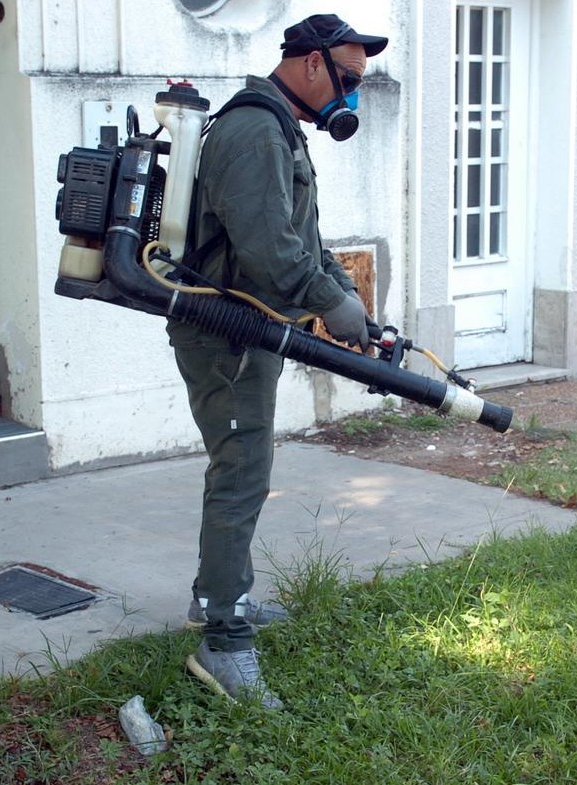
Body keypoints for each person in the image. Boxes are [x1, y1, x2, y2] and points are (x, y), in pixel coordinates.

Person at [168, 14, 388, 710]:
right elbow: (270, 251)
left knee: (245, 461)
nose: (351, 98)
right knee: (241, 465)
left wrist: (346, 301)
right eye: (349, 81)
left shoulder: (280, 128)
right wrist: (331, 300)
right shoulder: (253, 130)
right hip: (221, 330)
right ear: (311, 64)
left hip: (249, 326)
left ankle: (219, 596)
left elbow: (304, 242)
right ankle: (223, 639)